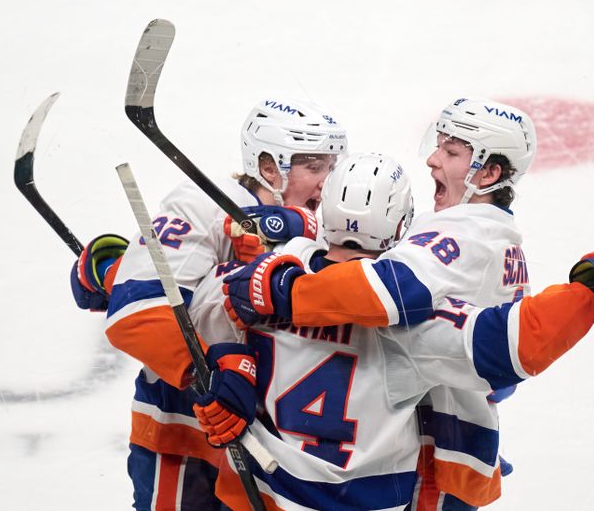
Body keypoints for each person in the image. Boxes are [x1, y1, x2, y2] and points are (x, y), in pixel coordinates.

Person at [191, 155, 594, 510]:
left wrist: (231, 361)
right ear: (403, 228)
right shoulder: (408, 325)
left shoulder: (261, 278)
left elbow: (203, 312)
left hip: (258, 491)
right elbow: (515, 345)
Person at [224, 97, 536, 508]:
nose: (433, 159)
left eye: (451, 151)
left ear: (490, 171)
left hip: (404, 452)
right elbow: (502, 378)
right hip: (430, 451)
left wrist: (281, 287)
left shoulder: (461, 241)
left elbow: (387, 290)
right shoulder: (498, 241)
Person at [69, 98, 347, 510]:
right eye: (314, 166)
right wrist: (214, 374)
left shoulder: (332, 223)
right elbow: (137, 312)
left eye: (333, 165)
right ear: (269, 168)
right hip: (188, 436)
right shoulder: (203, 203)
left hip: (276, 448)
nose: (328, 181)